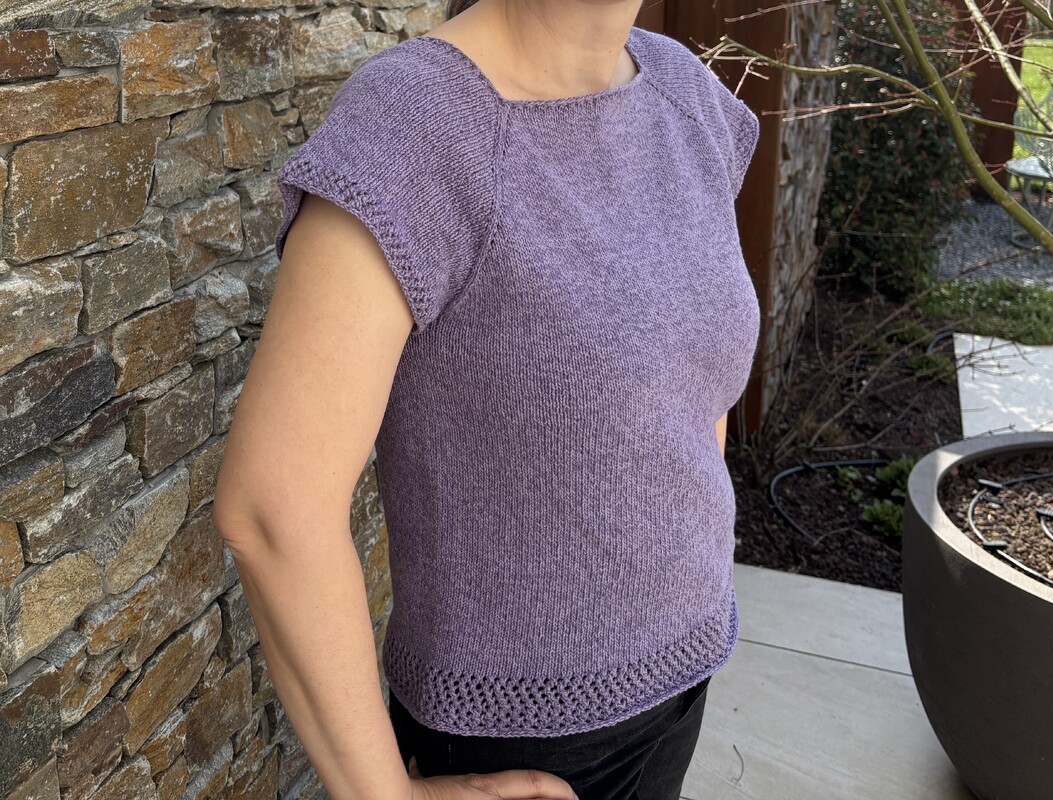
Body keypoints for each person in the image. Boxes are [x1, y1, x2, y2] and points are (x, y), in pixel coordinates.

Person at [212, 0, 761, 797]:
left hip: (684, 672)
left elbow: (693, 380)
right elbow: (272, 508)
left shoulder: (687, 96)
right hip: (520, 743)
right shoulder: (415, 126)